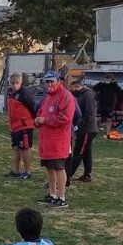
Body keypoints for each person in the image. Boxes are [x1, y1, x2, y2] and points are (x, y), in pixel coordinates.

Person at [35, 72, 73, 207]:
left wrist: (46, 120)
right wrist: (38, 120)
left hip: (58, 140)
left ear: (58, 81)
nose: (49, 84)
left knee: (58, 168)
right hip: (46, 140)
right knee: (49, 168)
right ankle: (52, 194)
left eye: (51, 81)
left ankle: (61, 197)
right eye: (47, 82)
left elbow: (65, 118)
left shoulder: (65, 96)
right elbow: (41, 112)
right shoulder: (48, 97)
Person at [6, 73, 37, 179]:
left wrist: (31, 121)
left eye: (17, 83)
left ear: (21, 82)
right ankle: (15, 170)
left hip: (24, 126)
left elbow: (33, 107)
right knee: (15, 148)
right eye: (12, 83)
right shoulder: (10, 93)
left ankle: (28, 171)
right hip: (14, 126)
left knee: (24, 148)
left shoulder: (24, 93)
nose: (14, 85)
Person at [67, 78, 98, 186]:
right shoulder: (81, 95)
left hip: (87, 129)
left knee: (78, 152)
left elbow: (88, 114)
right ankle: (87, 174)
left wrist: (79, 126)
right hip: (85, 128)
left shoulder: (88, 95)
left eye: (74, 88)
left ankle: (68, 175)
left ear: (78, 86)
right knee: (86, 153)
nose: (73, 91)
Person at [93, 73, 121, 138]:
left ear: (112, 79)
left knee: (109, 119)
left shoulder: (113, 85)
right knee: (98, 119)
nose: (108, 80)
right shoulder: (102, 85)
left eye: (109, 79)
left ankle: (108, 134)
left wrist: (115, 83)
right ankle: (95, 131)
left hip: (109, 105)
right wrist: (100, 82)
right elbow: (94, 88)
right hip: (101, 104)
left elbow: (119, 91)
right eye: (107, 78)